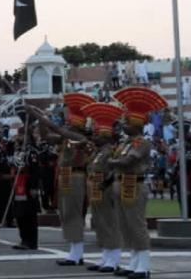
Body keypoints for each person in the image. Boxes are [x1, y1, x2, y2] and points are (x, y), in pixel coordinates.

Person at [110, 86, 167, 278]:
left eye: (126, 121)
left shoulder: (142, 142)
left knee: (136, 225)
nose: (123, 124)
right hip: (122, 183)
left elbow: (129, 161)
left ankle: (144, 266)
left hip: (134, 184)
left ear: (136, 123)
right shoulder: (125, 142)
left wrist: (111, 162)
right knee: (125, 226)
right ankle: (133, 263)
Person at [29, 105, 92, 267]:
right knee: (66, 214)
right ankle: (74, 252)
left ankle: (77, 253)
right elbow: (46, 136)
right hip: (65, 176)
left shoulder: (79, 137)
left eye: (70, 122)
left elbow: (58, 129)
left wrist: (41, 116)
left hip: (76, 176)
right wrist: (41, 119)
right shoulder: (66, 138)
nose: (67, 124)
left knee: (74, 213)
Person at [82, 103, 124, 272]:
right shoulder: (98, 152)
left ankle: (113, 260)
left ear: (106, 136)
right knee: (100, 224)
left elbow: (115, 171)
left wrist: (106, 184)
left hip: (106, 190)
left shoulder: (110, 152)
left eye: (97, 135)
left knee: (109, 224)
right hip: (96, 189)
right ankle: (105, 258)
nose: (94, 137)